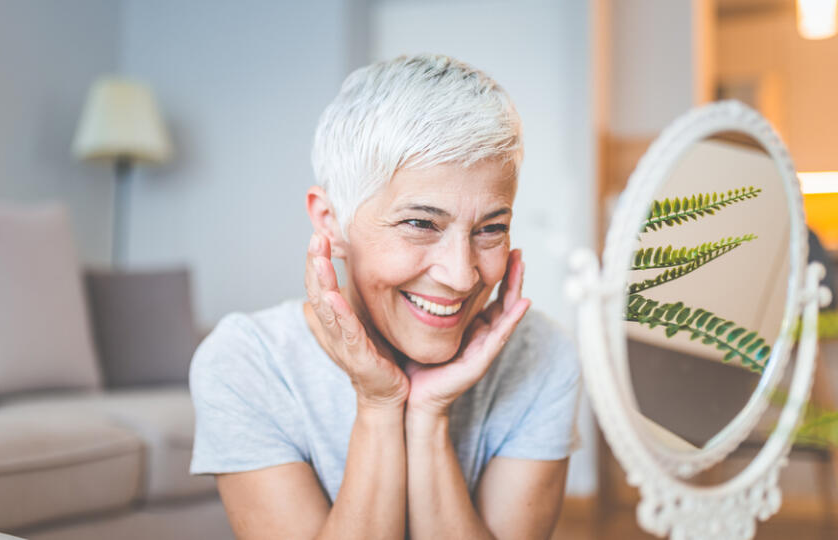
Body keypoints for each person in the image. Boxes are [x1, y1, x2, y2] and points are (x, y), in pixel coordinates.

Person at [189, 53, 583, 540]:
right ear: (329, 223)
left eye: (491, 229)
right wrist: (378, 405)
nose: (461, 276)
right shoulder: (246, 363)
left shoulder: (543, 358)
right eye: (420, 223)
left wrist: (428, 417)